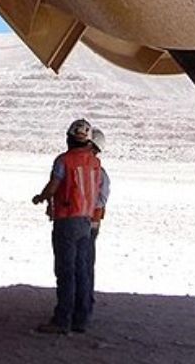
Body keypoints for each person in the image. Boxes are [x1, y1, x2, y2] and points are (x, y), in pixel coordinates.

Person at [31, 118, 102, 335]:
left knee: (65, 271)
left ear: (69, 138)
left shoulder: (64, 160)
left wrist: (41, 197)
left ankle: (62, 320)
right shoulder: (95, 163)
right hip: (86, 222)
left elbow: (54, 185)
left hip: (67, 220)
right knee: (82, 271)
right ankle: (80, 320)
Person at [87, 128, 110, 315]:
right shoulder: (98, 172)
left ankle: (84, 304)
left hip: (87, 223)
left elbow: (100, 200)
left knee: (83, 264)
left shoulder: (98, 173)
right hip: (89, 222)